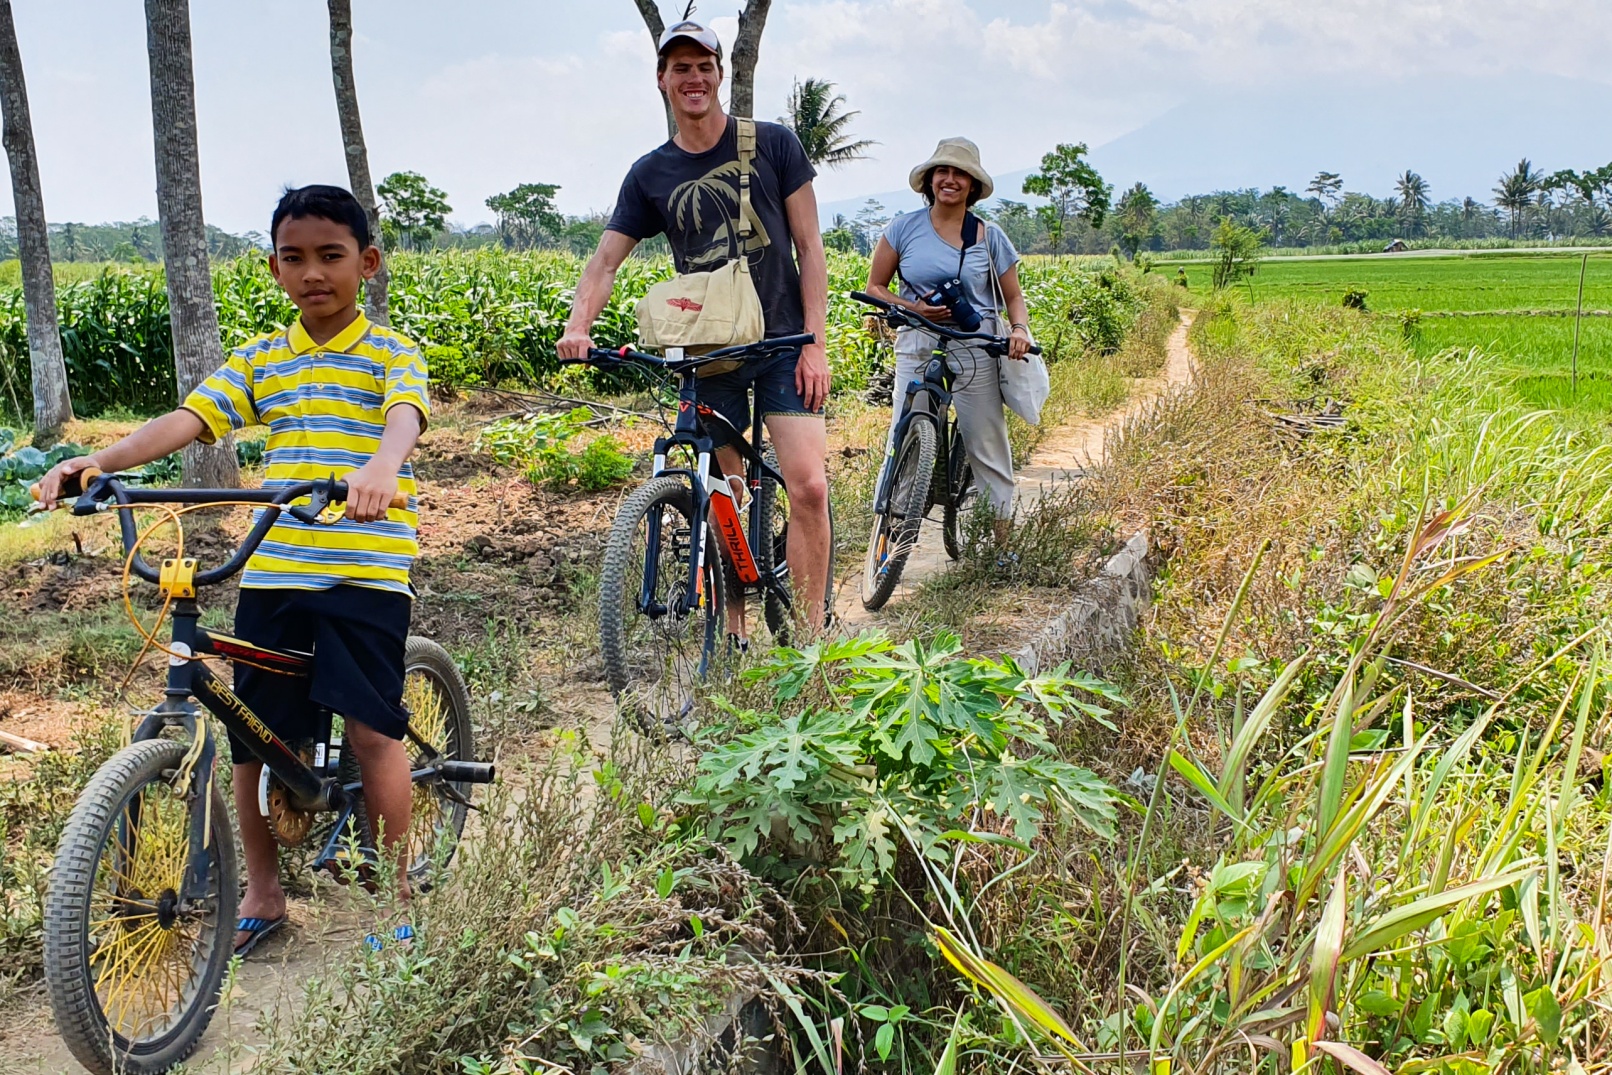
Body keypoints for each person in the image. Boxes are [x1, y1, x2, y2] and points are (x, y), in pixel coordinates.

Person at [37, 185, 429, 955]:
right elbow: (190, 418)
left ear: (367, 262)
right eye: (294, 258)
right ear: (275, 269)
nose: (313, 272)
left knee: (373, 731)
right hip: (277, 562)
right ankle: (262, 888)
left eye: (330, 255)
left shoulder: (391, 351)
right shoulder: (261, 359)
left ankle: (396, 892)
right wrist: (102, 462)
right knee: (248, 736)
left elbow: (403, 417)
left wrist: (382, 468)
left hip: (364, 562)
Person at [556, 19, 832, 642]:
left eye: (703, 65)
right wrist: (579, 327)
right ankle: (731, 630)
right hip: (709, 351)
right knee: (726, 493)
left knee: (809, 487)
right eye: (680, 68)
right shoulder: (650, 173)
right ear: (662, 81)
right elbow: (604, 262)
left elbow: (811, 248)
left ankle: (816, 638)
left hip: (785, 342)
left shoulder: (775, 145)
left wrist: (815, 343)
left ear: (719, 74)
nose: (694, 77)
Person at [864, 137, 1032, 544]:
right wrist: (915, 308)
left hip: (975, 344)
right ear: (930, 179)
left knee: (985, 439)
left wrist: (1019, 330)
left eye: (960, 174)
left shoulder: (989, 236)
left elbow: (1013, 297)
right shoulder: (902, 228)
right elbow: (875, 287)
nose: (950, 180)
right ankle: (889, 535)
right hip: (917, 340)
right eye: (943, 171)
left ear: (972, 185)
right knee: (902, 432)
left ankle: (1001, 541)